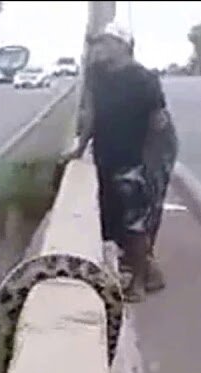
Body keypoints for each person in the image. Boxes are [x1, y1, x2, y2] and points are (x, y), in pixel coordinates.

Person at [63, 22, 172, 302]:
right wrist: (80, 148)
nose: (99, 48)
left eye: (105, 43)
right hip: (106, 156)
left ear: (123, 45)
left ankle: (137, 283)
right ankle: (151, 271)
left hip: (134, 160)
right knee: (112, 223)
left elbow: (158, 123)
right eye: (97, 43)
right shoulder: (96, 74)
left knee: (134, 225)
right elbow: (92, 113)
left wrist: (151, 167)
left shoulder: (144, 79)